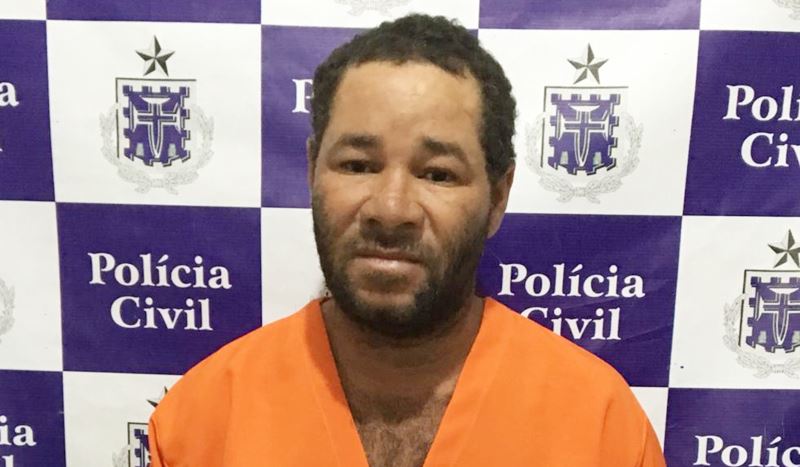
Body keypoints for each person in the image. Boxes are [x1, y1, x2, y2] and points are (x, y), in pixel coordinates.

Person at [148, 14, 666, 467]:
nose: (390, 210)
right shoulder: (202, 419)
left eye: (438, 174)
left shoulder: (600, 424)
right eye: (357, 165)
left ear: (498, 196)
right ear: (311, 172)